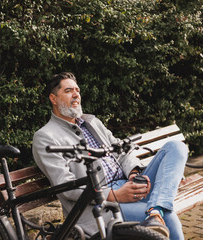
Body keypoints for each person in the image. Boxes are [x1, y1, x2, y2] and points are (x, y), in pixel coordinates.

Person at [32, 72, 188, 239]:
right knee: (170, 219)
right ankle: (157, 211)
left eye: (77, 90)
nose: (76, 94)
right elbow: (67, 186)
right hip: (101, 203)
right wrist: (116, 195)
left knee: (176, 146)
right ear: (53, 98)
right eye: (69, 90)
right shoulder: (45, 136)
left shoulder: (92, 122)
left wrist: (134, 173)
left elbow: (121, 150)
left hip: (129, 184)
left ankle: (155, 210)